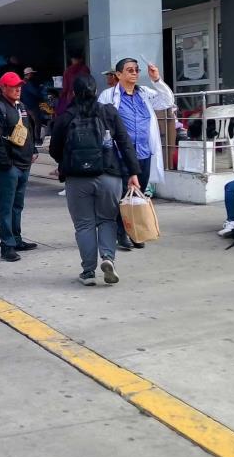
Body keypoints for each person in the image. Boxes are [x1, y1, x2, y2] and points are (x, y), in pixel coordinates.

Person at [49, 75, 140, 286]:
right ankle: (108, 258)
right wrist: (133, 173)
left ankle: (88, 273)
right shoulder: (108, 112)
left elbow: (54, 149)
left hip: (77, 179)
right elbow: (125, 143)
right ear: (95, 91)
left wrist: (68, 162)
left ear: (73, 93)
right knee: (107, 220)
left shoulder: (66, 116)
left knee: (84, 225)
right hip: (109, 175)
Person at [98, 57, 175, 250]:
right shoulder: (108, 96)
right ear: (118, 75)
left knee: (138, 195)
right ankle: (121, 233)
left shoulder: (144, 93)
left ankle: (136, 232)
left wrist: (156, 80)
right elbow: (100, 122)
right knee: (123, 194)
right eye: (130, 70)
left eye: (136, 70)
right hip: (120, 153)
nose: (134, 73)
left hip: (143, 152)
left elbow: (167, 100)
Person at [0, 71, 39, 262]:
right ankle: (7, 245)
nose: (18, 89)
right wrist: (6, 163)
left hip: (23, 164)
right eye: (14, 86)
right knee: (6, 207)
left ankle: (17, 239)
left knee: (18, 205)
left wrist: (33, 151)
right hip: (9, 167)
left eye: (20, 86)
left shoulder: (21, 106)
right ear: (3, 88)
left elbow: (28, 131)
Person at [20, 67, 44, 143]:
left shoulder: (21, 83)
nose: (33, 75)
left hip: (24, 106)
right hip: (32, 106)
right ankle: (37, 139)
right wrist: (41, 89)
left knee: (27, 124)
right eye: (32, 73)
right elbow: (35, 93)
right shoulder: (28, 83)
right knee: (37, 123)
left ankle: (28, 140)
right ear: (29, 74)